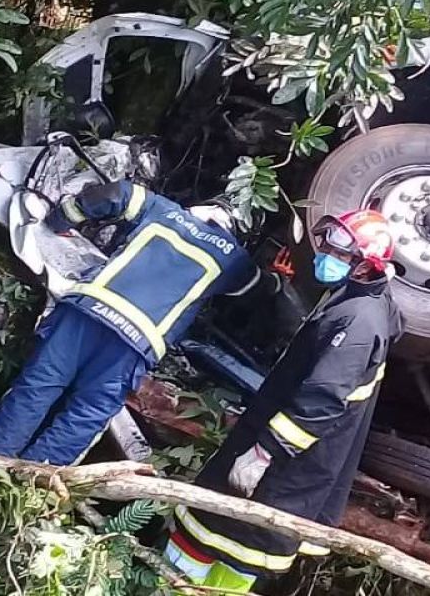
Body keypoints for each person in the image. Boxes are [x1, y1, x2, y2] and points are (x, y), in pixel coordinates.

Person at [164, 208, 402, 591]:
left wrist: (263, 453)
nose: (327, 257)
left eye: (343, 255)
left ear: (365, 266)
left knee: (219, 535)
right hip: (292, 464)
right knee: (231, 541)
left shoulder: (359, 322)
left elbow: (322, 400)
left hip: (284, 468)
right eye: (329, 247)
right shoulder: (360, 298)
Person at [0, 180, 271, 465]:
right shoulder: (232, 257)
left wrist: (62, 219)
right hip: (135, 340)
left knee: (37, 387)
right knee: (88, 412)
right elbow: (259, 288)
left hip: (89, 309)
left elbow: (114, 193)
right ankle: (27, 485)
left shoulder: (161, 208)